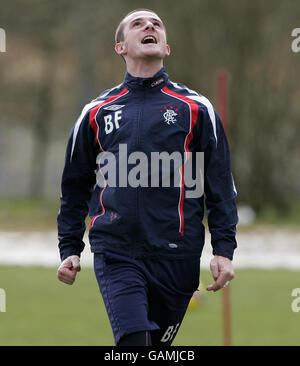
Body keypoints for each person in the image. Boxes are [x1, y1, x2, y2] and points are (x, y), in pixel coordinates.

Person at [57, 8, 238, 346]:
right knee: (134, 344)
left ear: (166, 48)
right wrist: (70, 247)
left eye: (156, 23)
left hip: (178, 255)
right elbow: (74, 185)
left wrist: (223, 249)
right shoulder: (96, 112)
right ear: (121, 47)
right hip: (116, 251)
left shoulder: (196, 108)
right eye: (137, 24)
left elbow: (220, 187)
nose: (149, 26)